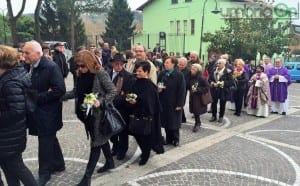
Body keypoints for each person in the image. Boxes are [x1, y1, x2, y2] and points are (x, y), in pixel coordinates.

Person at [22, 40, 66, 186]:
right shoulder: (27, 66)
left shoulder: (51, 67)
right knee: (50, 138)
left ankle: (44, 173)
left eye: (27, 53)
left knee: (45, 141)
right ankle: (59, 163)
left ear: (38, 53)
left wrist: (36, 97)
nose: (24, 55)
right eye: (23, 52)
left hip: (48, 113)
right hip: (38, 112)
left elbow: (60, 90)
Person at [74, 50, 117, 186]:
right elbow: (77, 92)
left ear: (90, 63)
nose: (80, 68)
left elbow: (113, 91)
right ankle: (110, 162)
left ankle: (87, 178)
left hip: (98, 116)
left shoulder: (100, 74)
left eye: (82, 65)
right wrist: (60, 95)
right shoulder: (80, 75)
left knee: (96, 144)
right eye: (78, 66)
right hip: (85, 116)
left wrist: (101, 102)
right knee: (99, 139)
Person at [0, 45, 38, 186]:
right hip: (7, 136)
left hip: (10, 136)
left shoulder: (10, 82)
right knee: (9, 169)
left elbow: (17, 111)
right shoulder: (10, 75)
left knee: (17, 168)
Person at [127, 61, 164, 165]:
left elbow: (150, 102)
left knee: (145, 137)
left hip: (146, 116)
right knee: (136, 134)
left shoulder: (150, 85)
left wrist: (137, 101)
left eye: (139, 71)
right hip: (135, 114)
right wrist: (130, 99)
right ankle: (144, 151)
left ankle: (145, 154)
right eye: (136, 70)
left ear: (146, 72)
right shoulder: (135, 82)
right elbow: (131, 93)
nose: (137, 73)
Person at [108, 53, 135, 160]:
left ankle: (122, 150)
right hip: (109, 108)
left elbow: (127, 94)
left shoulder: (128, 76)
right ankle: (115, 146)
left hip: (122, 109)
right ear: (112, 63)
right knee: (111, 130)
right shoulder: (107, 74)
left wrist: (115, 100)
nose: (119, 66)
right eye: (116, 64)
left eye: (121, 64)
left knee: (122, 131)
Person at [158, 56, 186, 146]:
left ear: (173, 64)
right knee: (166, 121)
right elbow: (158, 84)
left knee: (174, 122)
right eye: (165, 62)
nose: (165, 64)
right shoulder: (162, 73)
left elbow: (182, 90)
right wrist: (158, 89)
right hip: (164, 101)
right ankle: (168, 139)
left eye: (167, 63)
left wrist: (180, 104)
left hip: (174, 102)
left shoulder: (179, 75)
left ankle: (176, 139)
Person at [208, 58, 234, 123]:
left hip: (223, 90)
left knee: (222, 104)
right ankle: (213, 116)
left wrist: (219, 84)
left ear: (224, 64)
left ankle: (221, 117)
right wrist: (212, 83)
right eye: (217, 63)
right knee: (214, 103)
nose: (218, 64)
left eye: (220, 63)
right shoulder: (214, 70)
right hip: (214, 89)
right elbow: (209, 79)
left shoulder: (228, 71)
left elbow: (231, 82)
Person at [188, 64, 210, 132]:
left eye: (193, 69)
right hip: (192, 96)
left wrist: (198, 89)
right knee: (194, 110)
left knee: (197, 110)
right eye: (191, 69)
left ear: (198, 70)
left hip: (199, 97)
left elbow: (207, 88)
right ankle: (198, 122)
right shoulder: (190, 77)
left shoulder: (201, 78)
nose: (192, 71)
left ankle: (197, 123)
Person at [177, 57, 190, 123]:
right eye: (179, 64)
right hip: (176, 90)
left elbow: (186, 82)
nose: (180, 66)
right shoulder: (176, 68)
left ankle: (181, 119)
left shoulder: (188, 71)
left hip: (183, 90)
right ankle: (183, 119)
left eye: (182, 65)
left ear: (186, 64)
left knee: (181, 104)